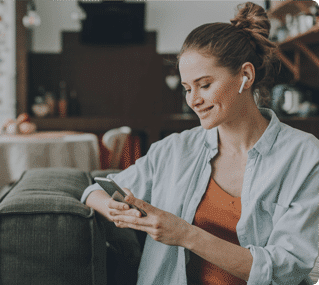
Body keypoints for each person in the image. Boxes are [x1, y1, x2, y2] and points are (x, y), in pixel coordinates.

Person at [81, 2, 319, 285]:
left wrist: (186, 234)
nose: (193, 100)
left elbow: (288, 268)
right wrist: (116, 210)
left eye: (205, 85)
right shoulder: (174, 149)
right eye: (187, 88)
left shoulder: (305, 156)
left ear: (245, 76)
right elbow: (95, 191)